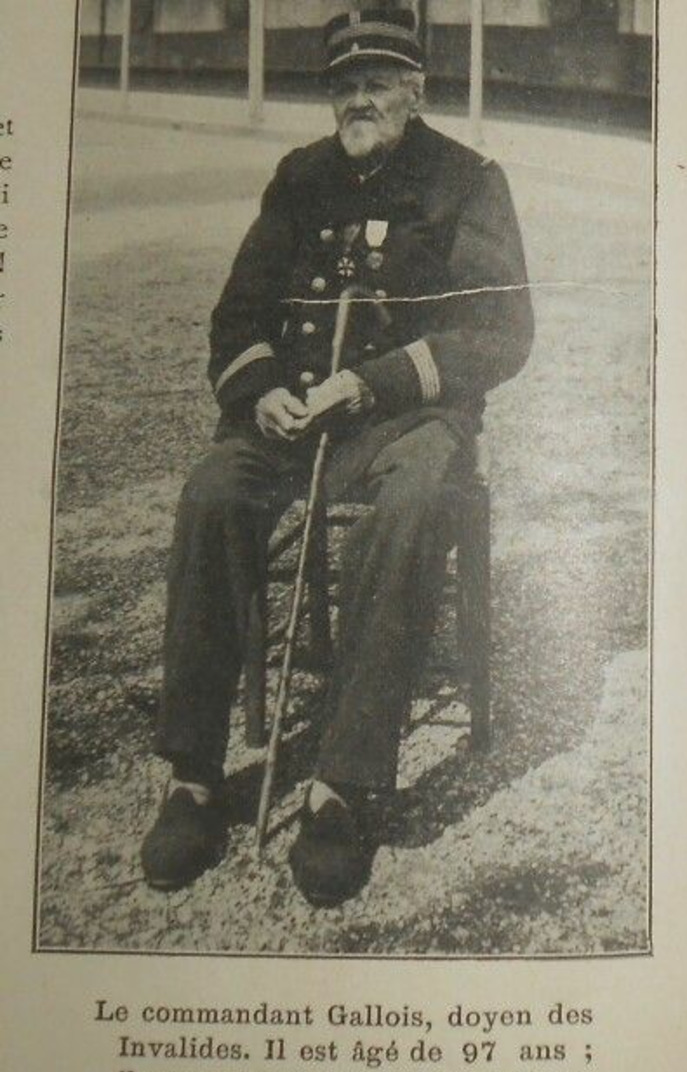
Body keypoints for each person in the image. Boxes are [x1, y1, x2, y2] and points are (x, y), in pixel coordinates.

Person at [140, 7, 533, 905]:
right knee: (210, 495)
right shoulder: (300, 176)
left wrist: (375, 386)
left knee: (405, 510)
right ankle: (194, 777)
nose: (360, 100)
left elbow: (501, 332)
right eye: (344, 86)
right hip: (290, 422)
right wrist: (260, 389)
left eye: (378, 82)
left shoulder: (466, 180)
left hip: (401, 421)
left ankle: (342, 788)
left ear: (416, 89)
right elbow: (237, 314)